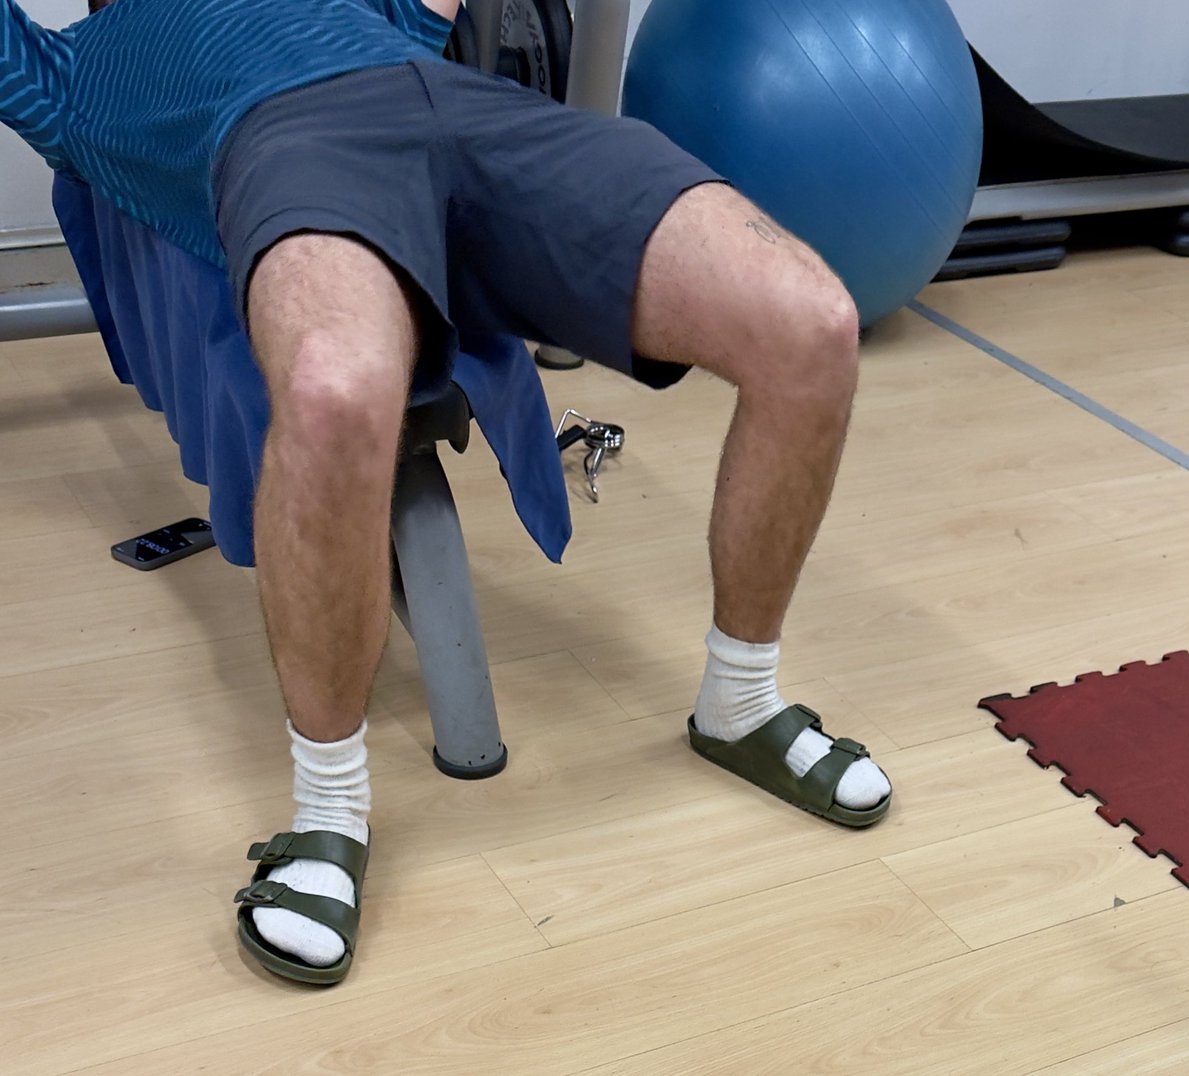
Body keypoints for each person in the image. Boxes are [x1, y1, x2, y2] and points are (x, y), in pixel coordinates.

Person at [2, 0, 891, 983]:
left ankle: (741, 702)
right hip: (286, 143)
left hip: (478, 115)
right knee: (337, 388)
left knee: (811, 320)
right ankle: (328, 812)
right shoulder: (73, 71)